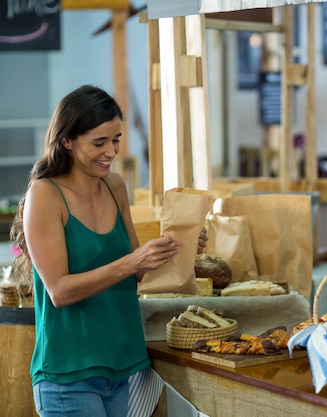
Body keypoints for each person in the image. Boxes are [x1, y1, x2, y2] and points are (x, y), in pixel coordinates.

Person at [9, 84, 208, 417]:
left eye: (116, 139)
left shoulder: (115, 186)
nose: (111, 152)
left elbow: (137, 274)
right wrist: (131, 261)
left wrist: (178, 249)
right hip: (70, 374)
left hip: (122, 366)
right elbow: (59, 291)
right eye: (99, 142)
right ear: (67, 141)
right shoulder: (44, 195)